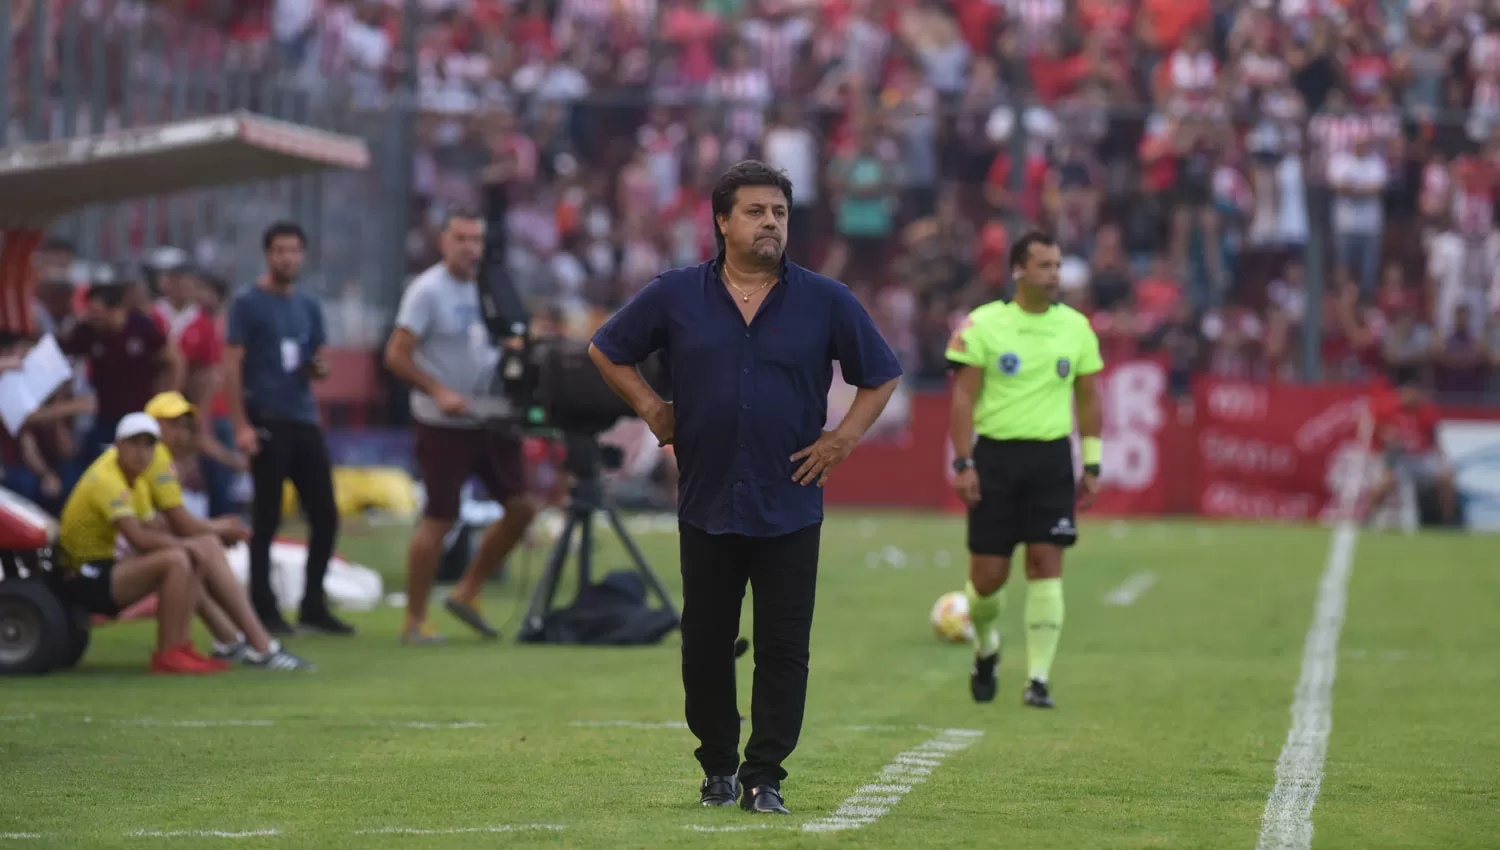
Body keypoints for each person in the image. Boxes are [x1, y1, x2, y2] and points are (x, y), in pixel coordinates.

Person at [589, 160, 902, 815]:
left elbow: (881, 373)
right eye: (757, 211)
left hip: (791, 498)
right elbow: (607, 349)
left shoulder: (826, 299)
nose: (771, 222)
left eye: (780, 212)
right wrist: (652, 407)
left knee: (784, 649)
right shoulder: (675, 294)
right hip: (706, 499)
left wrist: (843, 438)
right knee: (705, 645)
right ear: (722, 221)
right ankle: (717, 768)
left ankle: (766, 777)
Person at [946, 230, 1104, 710]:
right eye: (1045, 266)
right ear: (1018, 270)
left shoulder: (1077, 328)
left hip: (1051, 460)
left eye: (1058, 266)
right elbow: (963, 397)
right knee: (989, 577)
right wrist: (964, 462)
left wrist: (1092, 461)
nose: (1055, 274)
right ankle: (986, 646)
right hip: (995, 460)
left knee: (1045, 565)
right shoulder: (984, 325)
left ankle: (1038, 679)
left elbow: (1088, 398)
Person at [384, 209, 540, 644]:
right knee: (440, 518)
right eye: (461, 238)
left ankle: (468, 589)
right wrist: (437, 391)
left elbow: (511, 336)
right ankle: (414, 621)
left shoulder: (493, 286)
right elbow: (396, 354)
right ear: (443, 241)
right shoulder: (427, 291)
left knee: (522, 507)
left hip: (491, 415)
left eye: (477, 239)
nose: (470, 248)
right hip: (443, 423)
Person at [223, 222, 354, 637]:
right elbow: (232, 364)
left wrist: (319, 369)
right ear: (268, 254)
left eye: (295, 251)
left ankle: (313, 603)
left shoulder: (309, 306)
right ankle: (264, 606)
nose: (288, 259)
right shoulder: (247, 302)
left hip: (302, 416)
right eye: (281, 251)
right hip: (266, 417)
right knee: (267, 517)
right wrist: (241, 424)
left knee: (326, 515)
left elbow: (316, 360)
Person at [143, 392, 314, 670]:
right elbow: (181, 524)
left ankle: (230, 640)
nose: (182, 432)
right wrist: (222, 528)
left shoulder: (158, 458)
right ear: (153, 426)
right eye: (172, 424)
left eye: (185, 425)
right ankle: (261, 645)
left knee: (197, 551)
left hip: (120, 553)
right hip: (112, 560)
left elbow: (165, 523)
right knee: (203, 548)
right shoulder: (158, 458)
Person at [55, 413, 221, 675]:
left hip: (105, 568)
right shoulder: (107, 478)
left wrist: (196, 540)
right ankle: (168, 653)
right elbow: (140, 539)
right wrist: (189, 543)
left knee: (188, 556)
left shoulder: (136, 478)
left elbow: (153, 526)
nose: (142, 452)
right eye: (134, 444)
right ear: (119, 444)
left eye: (148, 445)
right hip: (83, 576)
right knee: (177, 559)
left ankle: (181, 646)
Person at [62, 280, 183, 460]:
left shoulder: (141, 328)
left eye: (97, 312)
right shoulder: (88, 332)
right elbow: (63, 356)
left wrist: (168, 396)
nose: (93, 317)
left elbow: (174, 360)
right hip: (104, 414)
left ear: (115, 309)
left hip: (140, 413)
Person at [1363, 372, 1458, 526]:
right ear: (1402, 392)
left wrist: (1442, 460)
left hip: (1420, 458)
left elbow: (1434, 439)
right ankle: (1369, 517)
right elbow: (1380, 435)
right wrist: (1391, 442)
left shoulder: (1426, 411)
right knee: (1385, 482)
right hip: (1397, 458)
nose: (1413, 397)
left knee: (1446, 478)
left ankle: (1449, 520)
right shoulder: (1388, 409)